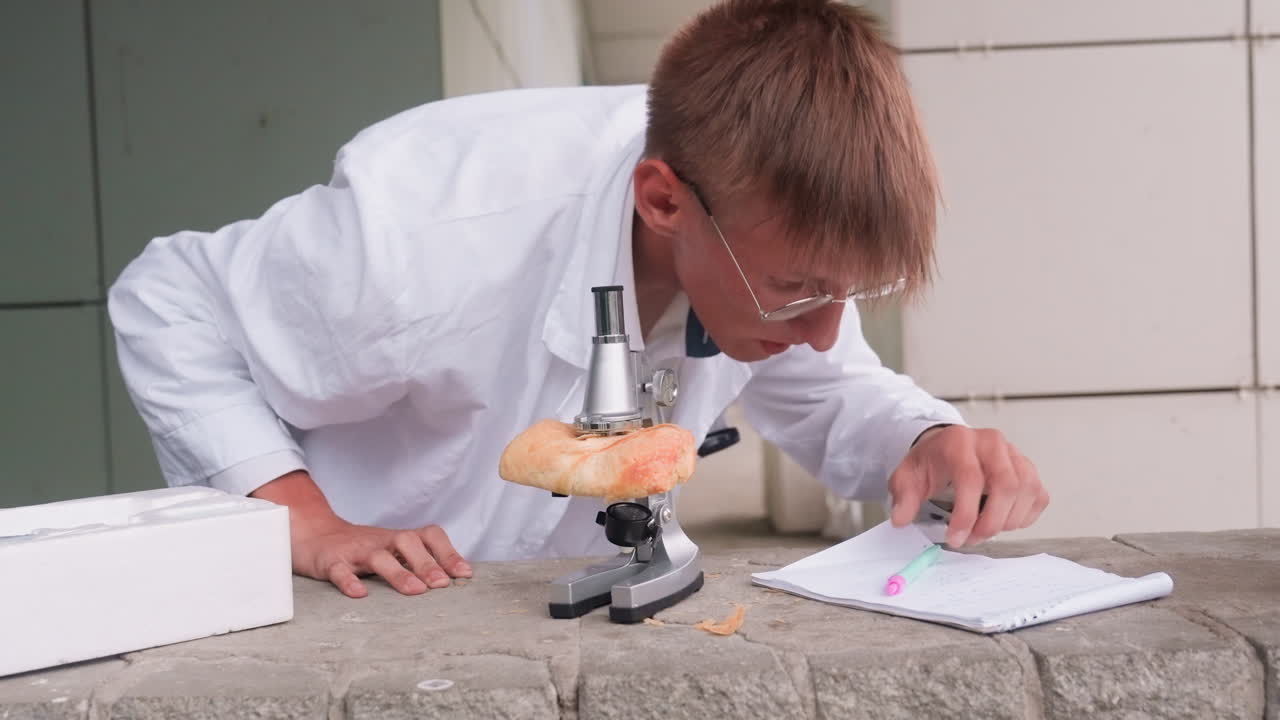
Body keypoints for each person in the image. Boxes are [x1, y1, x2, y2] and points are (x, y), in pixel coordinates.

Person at [108, 0, 1049, 600]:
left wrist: (929, 440)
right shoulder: (430, 231)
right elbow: (169, 301)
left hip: (527, 612)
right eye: (797, 290)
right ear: (663, 202)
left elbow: (831, 389)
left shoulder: (747, 216)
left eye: (852, 293)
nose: (823, 330)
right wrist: (302, 521)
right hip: (350, 600)